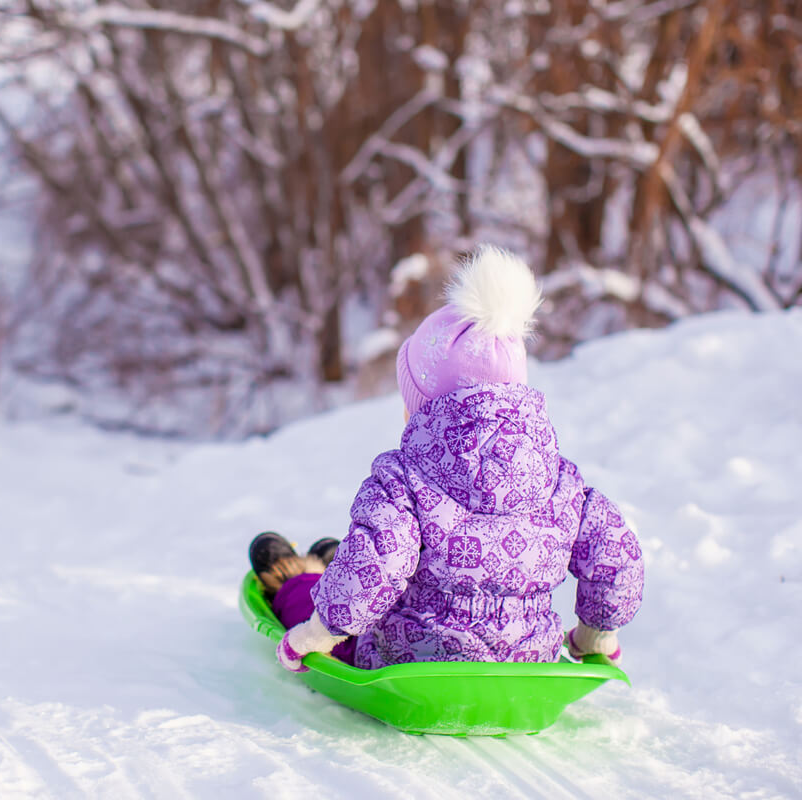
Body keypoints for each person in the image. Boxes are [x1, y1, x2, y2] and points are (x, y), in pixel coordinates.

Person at [248, 245, 644, 673]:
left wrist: (316, 634)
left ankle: (298, 574)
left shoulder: (406, 478)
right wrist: (596, 634)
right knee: (367, 573)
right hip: (527, 662)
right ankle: (333, 561)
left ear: (424, 408)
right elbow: (615, 552)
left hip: (410, 661)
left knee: (330, 595)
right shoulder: (559, 482)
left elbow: (383, 557)